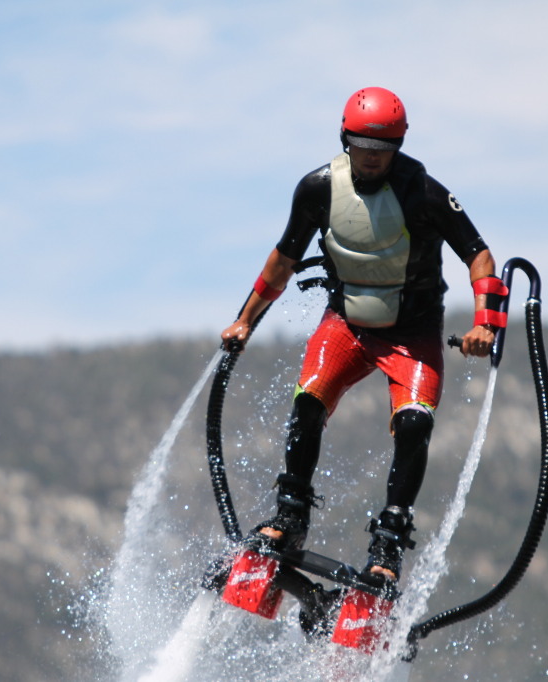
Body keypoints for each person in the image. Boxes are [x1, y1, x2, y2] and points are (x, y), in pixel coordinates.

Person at [221, 86, 506, 585]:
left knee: (414, 424)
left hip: (413, 332)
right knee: (308, 402)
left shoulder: (425, 193)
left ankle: (388, 545)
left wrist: (485, 322)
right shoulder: (317, 189)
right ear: (345, 140)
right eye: (362, 147)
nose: (371, 158)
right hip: (346, 324)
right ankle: (290, 517)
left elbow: (479, 256)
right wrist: (244, 319)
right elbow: (283, 260)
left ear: (398, 145)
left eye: (382, 149)